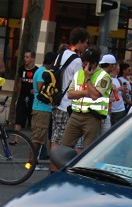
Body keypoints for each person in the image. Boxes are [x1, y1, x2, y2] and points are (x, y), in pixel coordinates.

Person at [49, 27, 88, 165]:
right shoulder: (77, 60)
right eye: (85, 43)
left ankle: (52, 170)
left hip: (56, 102)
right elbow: (79, 85)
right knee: (66, 142)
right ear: (79, 41)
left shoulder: (61, 54)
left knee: (55, 138)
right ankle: (58, 170)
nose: (86, 45)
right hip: (67, 105)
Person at [60, 46, 110, 151]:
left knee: (88, 151)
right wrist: (86, 92)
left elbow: (95, 96)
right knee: (64, 147)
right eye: (83, 61)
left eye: (86, 62)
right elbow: (70, 94)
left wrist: (88, 79)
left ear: (94, 64)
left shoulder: (104, 77)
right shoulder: (78, 74)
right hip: (75, 115)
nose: (83, 65)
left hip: (92, 117)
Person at [30, 51, 55, 170]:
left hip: (43, 108)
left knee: (40, 137)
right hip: (41, 108)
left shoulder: (41, 71)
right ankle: (32, 162)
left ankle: (34, 161)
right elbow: (41, 89)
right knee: (37, 137)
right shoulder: (42, 72)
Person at [14, 50, 36, 134]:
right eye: (24, 57)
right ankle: (16, 137)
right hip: (22, 96)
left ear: (32, 58)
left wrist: (36, 91)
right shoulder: (21, 69)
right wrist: (18, 97)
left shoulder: (36, 70)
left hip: (32, 98)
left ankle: (32, 139)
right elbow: (19, 82)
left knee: (32, 118)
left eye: (27, 57)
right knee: (19, 117)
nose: (25, 59)